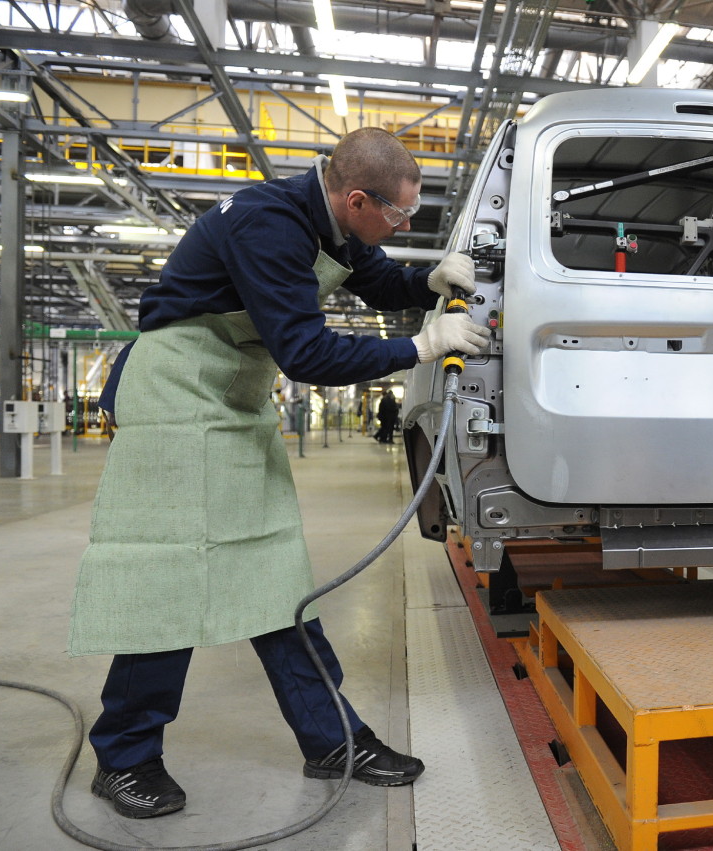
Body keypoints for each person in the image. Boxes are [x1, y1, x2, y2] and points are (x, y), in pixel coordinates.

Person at [68, 127, 490, 819]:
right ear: (357, 199)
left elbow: (379, 279)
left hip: (230, 398)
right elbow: (305, 352)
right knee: (168, 577)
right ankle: (124, 755)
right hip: (176, 396)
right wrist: (417, 346)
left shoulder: (333, 224)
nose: (406, 225)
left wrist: (427, 281)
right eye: (400, 213)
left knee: (275, 573)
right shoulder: (269, 224)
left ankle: (332, 739)